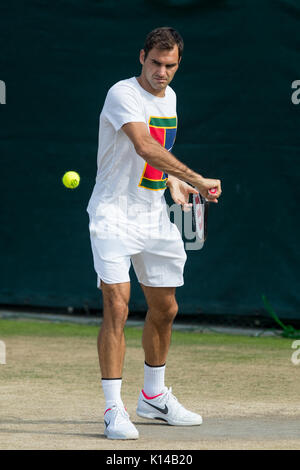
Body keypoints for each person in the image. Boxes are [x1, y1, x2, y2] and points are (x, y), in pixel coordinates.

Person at [87, 26, 222, 440]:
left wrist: (171, 182)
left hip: (153, 217)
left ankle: (154, 396)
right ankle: (114, 409)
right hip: (112, 214)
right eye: (155, 63)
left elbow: (151, 155)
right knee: (118, 306)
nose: (161, 72)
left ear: (178, 64)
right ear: (141, 57)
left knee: (165, 310)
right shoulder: (121, 93)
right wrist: (195, 178)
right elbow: (144, 145)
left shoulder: (172, 97)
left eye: (170, 65)